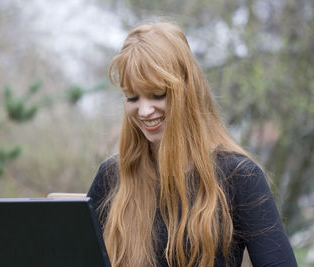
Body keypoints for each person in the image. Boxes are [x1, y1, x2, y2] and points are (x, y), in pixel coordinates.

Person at [87, 22, 297, 267]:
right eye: (132, 97)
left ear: (187, 90)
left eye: (158, 94)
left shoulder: (238, 176)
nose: (144, 111)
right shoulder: (112, 176)